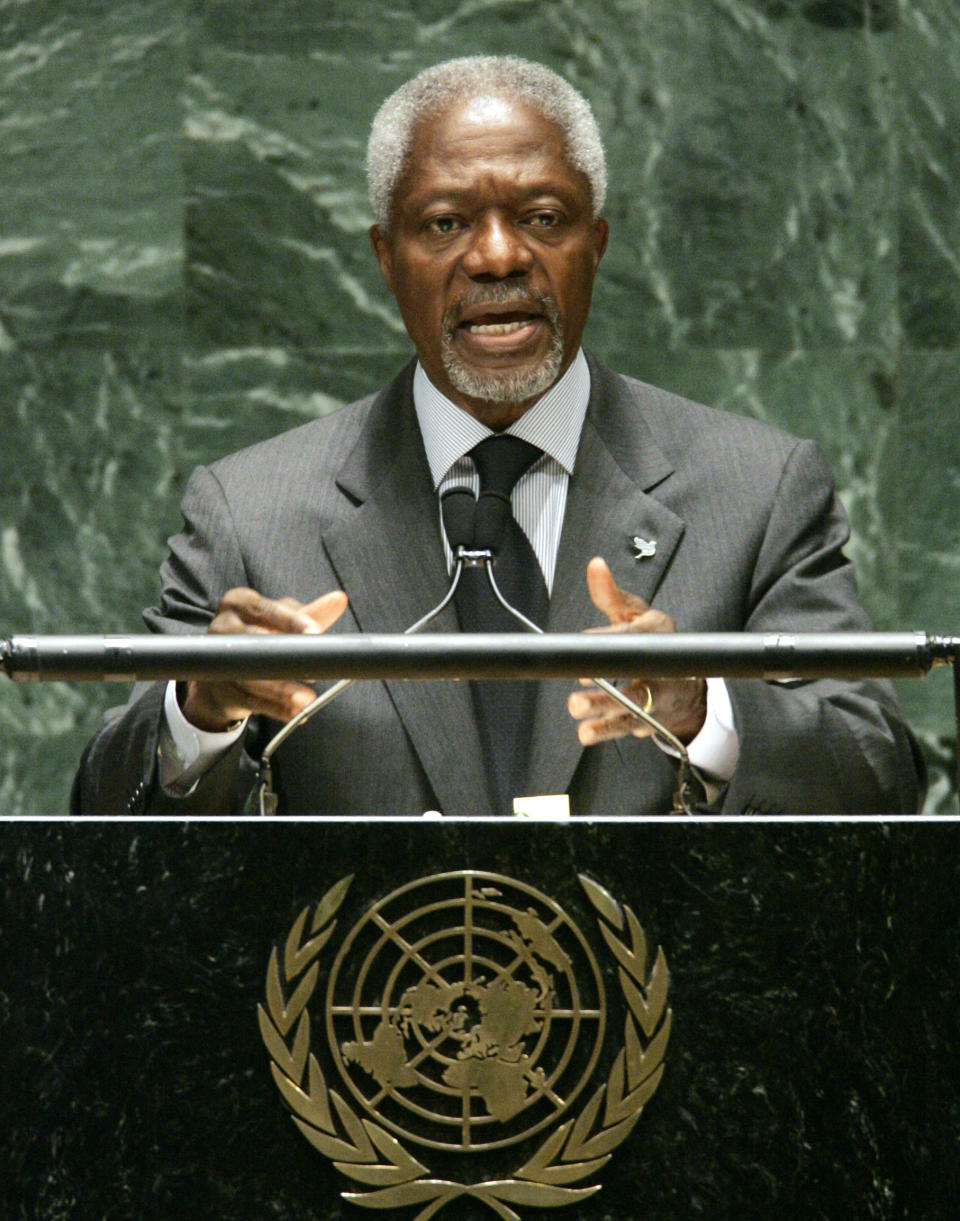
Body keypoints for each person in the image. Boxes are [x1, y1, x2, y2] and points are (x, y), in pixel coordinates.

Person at [72, 56, 924, 817]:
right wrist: (199, 710)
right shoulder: (251, 512)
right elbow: (104, 819)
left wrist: (707, 712)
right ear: (384, 256)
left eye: (544, 217)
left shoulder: (760, 490)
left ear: (597, 243)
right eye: (444, 223)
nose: (496, 256)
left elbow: (881, 776)